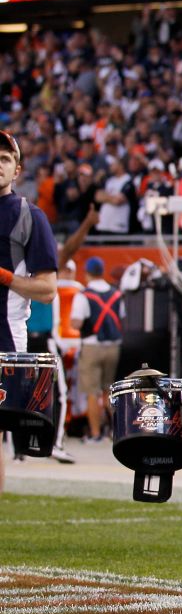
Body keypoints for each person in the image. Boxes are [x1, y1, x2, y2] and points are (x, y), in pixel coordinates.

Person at [0, 131, 58, 494]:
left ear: (17, 169)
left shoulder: (28, 216)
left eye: (4, 159)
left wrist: (4, 277)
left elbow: (48, 289)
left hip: (2, 340)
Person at [69, 257, 123, 442]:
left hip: (92, 346)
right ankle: (114, 431)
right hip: (113, 347)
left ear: (87, 273)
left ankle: (95, 433)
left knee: (92, 393)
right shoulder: (116, 294)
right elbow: (121, 317)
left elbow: (77, 322)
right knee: (108, 391)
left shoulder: (84, 295)